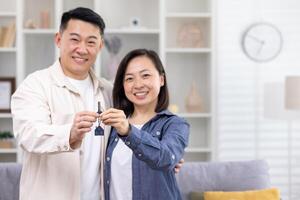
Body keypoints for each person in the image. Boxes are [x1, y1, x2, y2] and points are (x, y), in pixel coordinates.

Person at [11, 7, 183, 200]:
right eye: (74, 39)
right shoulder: (35, 85)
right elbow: (28, 134)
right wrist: (70, 133)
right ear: (59, 40)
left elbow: (137, 130)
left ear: (100, 46)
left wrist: (167, 156)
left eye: (91, 42)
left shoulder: (109, 91)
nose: (82, 49)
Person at [101, 49, 190, 200]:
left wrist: (128, 131)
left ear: (161, 79)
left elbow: (166, 157)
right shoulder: (114, 125)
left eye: (145, 75)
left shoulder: (176, 124)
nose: (138, 85)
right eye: (129, 78)